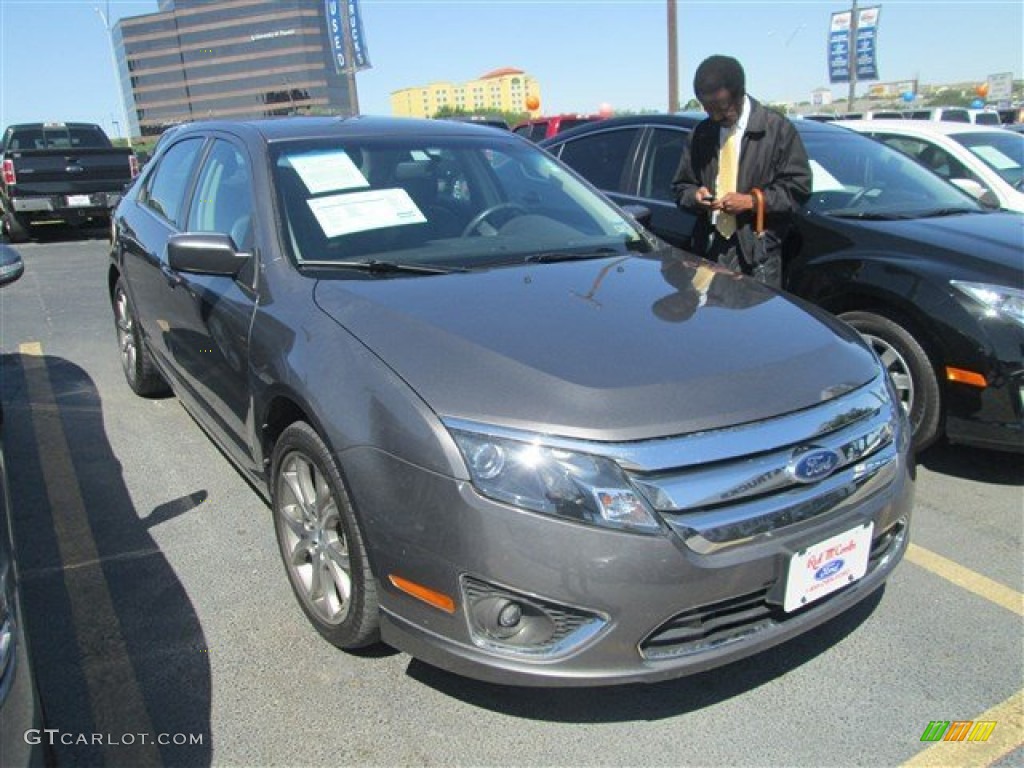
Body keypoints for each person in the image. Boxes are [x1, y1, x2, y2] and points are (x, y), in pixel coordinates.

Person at [672, 55, 811, 288]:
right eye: (708, 109)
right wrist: (695, 197)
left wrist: (750, 202)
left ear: (740, 93)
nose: (715, 116)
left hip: (756, 255)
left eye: (722, 108)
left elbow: (798, 188)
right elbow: (681, 187)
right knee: (711, 321)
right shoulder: (701, 134)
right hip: (708, 249)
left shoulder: (777, 130)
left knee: (753, 324)